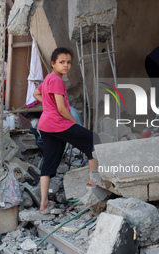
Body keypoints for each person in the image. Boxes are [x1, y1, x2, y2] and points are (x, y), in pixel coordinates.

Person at [33, 47, 95, 215]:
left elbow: (36, 93)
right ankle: (92, 180)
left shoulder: (48, 78)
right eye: (62, 62)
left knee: (49, 162)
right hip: (57, 123)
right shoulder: (57, 81)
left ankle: (44, 204)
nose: (66, 65)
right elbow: (61, 108)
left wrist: (47, 106)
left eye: (68, 62)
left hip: (45, 125)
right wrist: (75, 123)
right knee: (93, 140)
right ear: (53, 64)